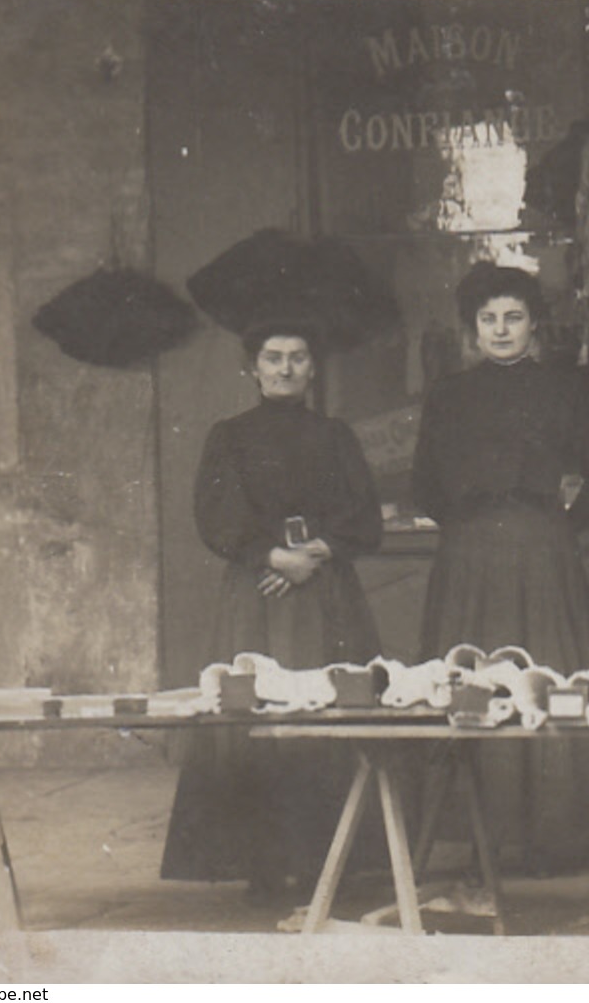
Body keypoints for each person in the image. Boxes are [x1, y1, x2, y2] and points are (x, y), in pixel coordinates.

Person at [161, 316, 385, 901]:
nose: (285, 368)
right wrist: (270, 557)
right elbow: (214, 516)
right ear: (252, 368)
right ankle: (262, 863)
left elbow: (363, 514)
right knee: (255, 717)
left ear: (313, 367)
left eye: (298, 356)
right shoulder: (229, 436)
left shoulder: (335, 436)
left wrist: (318, 552)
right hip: (257, 595)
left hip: (326, 593)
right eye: (272, 357)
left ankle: (326, 862)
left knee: (328, 713)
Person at [410, 262, 589, 872]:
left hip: (541, 546)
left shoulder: (564, 390)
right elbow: (423, 481)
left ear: (534, 325)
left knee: (546, 672)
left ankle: (557, 833)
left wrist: (561, 526)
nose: (501, 331)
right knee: (469, 676)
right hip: (469, 551)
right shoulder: (448, 394)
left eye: (514, 319)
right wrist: (464, 524)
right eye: (488, 320)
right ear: (473, 329)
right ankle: (471, 830)